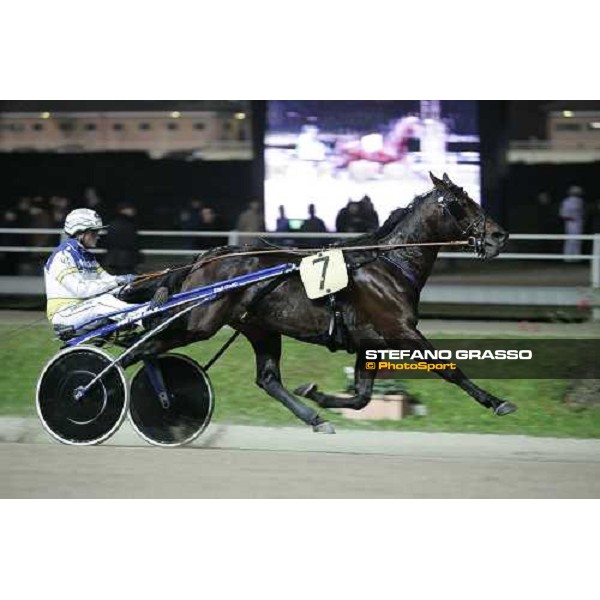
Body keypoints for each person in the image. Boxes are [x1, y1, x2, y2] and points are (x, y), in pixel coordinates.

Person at [44, 208, 143, 335]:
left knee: (123, 294)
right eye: (94, 231)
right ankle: (147, 317)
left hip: (85, 309)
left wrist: (132, 286)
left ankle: (147, 310)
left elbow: (106, 281)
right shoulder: (62, 256)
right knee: (103, 301)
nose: (98, 235)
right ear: (80, 232)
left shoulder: (87, 256)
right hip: (65, 315)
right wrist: (118, 280)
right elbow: (81, 290)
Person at [104, 201, 140, 275]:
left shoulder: (113, 223)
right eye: (129, 209)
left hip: (113, 257)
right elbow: (131, 241)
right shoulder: (128, 224)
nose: (132, 210)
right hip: (126, 258)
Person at [559, 185, 584, 262]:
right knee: (571, 239)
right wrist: (571, 218)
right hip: (571, 223)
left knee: (577, 240)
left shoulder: (580, 201)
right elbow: (563, 214)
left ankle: (576, 257)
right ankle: (568, 257)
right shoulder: (567, 201)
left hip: (578, 222)